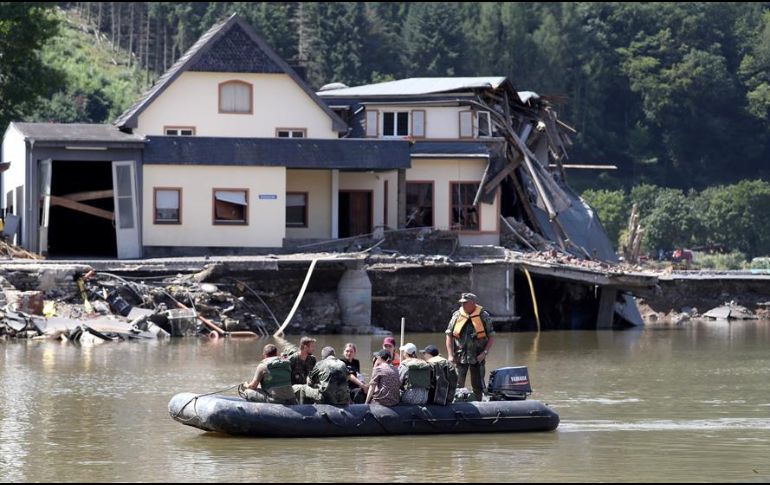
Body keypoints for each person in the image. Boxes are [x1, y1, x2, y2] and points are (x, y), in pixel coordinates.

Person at [445, 292, 494, 401]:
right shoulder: (457, 315)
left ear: (473, 303)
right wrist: (450, 355)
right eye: (462, 303)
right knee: (457, 384)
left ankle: (479, 405)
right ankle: (455, 403)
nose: (463, 305)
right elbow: (449, 336)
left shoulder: (483, 316)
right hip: (460, 357)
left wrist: (484, 353)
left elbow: (491, 336)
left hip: (477, 357)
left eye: (465, 303)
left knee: (478, 385)